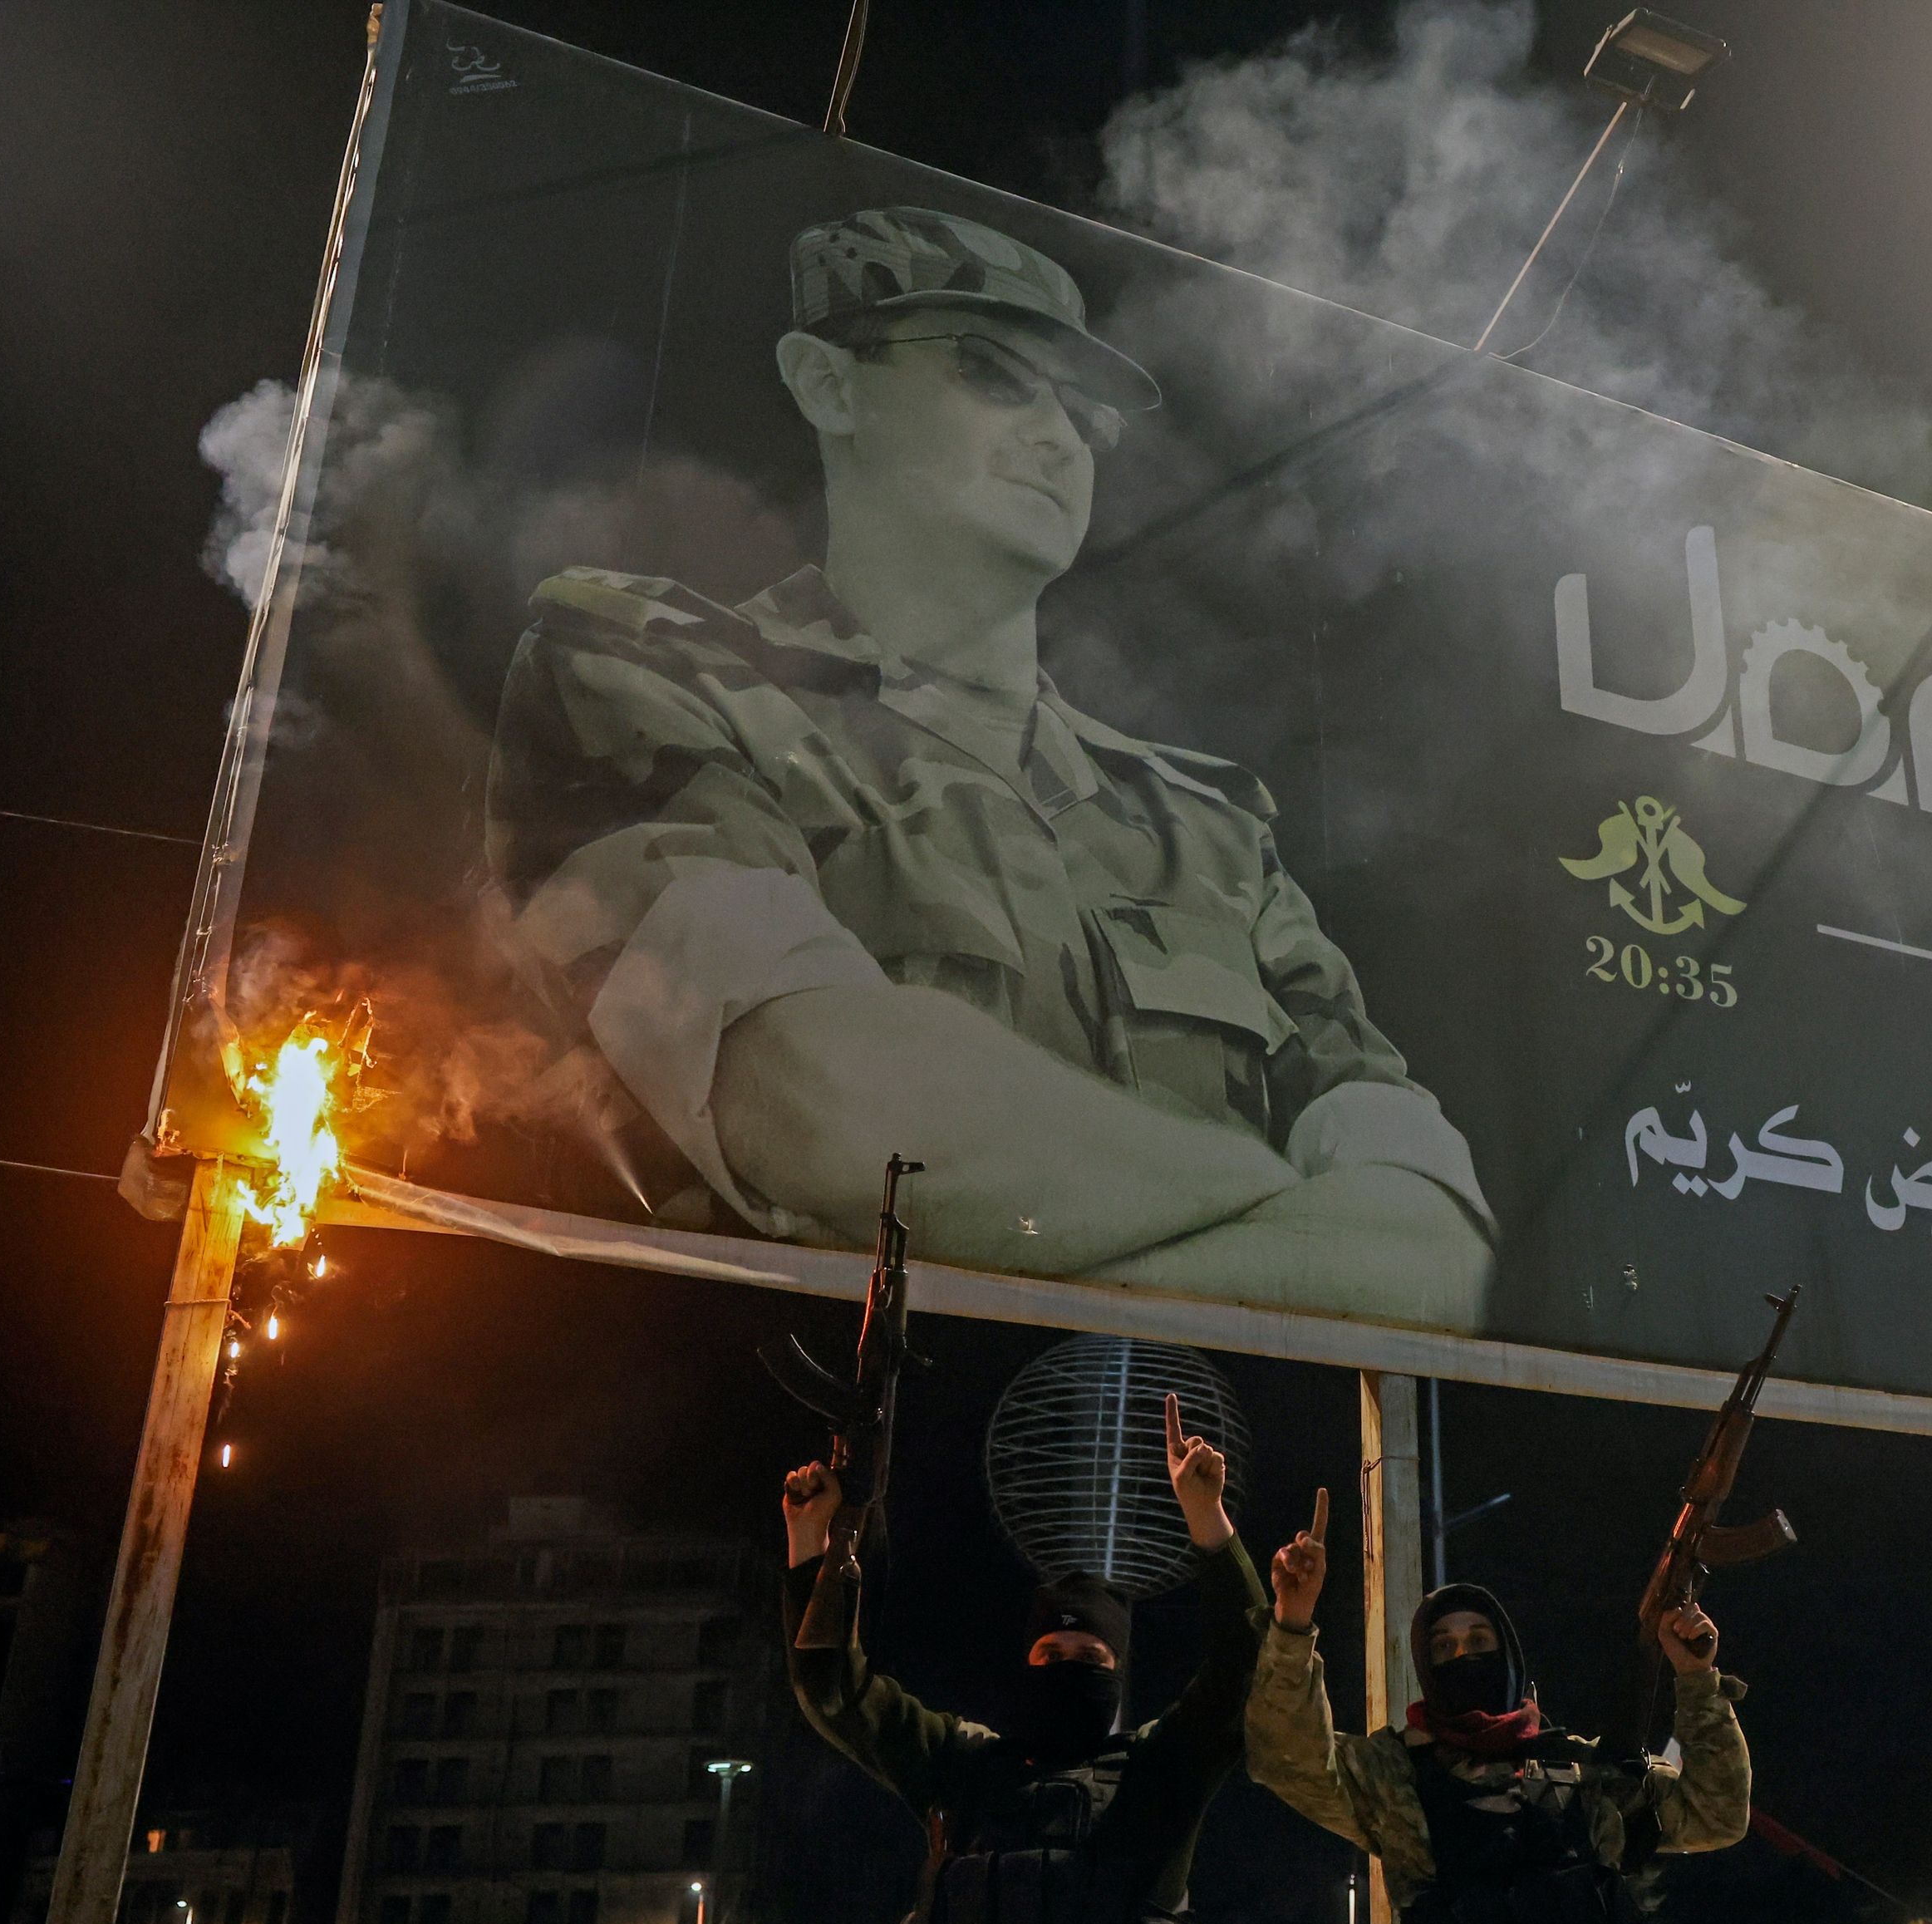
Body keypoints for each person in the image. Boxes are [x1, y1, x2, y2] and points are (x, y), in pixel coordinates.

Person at [487, 204, 1492, 1329]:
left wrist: (1070, 1262)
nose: (1061, 435)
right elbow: (830, 1111)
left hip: (1171, 1465)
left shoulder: (1207, 828)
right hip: (790, 1446)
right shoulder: (654, 675)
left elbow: (1433, 1252)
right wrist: (1286, 1211)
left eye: (1083, 409)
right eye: (994, 375)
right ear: (828, 385)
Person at [779, 1394, 1266, 1924]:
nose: (1069, 1666)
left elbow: (1244, 1673)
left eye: (1090, 1656)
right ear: (1025, 1663)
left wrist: (1208, 1520)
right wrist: (815, 1543)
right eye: (1051, 1653)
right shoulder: (961, 1764)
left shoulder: (1156, 1776)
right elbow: (833, 1690)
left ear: (1119, 1673)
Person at [1244, 1488, 1750, 1924]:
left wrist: (1698, 1680)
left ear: (1508, 1655)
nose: (1465, 1656)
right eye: (1446, 1649)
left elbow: (1718, 1815)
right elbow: (1284, 1757)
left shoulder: (1584, 1768)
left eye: (1480, 1640)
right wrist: (1292, 1623)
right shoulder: (1394, 1773)